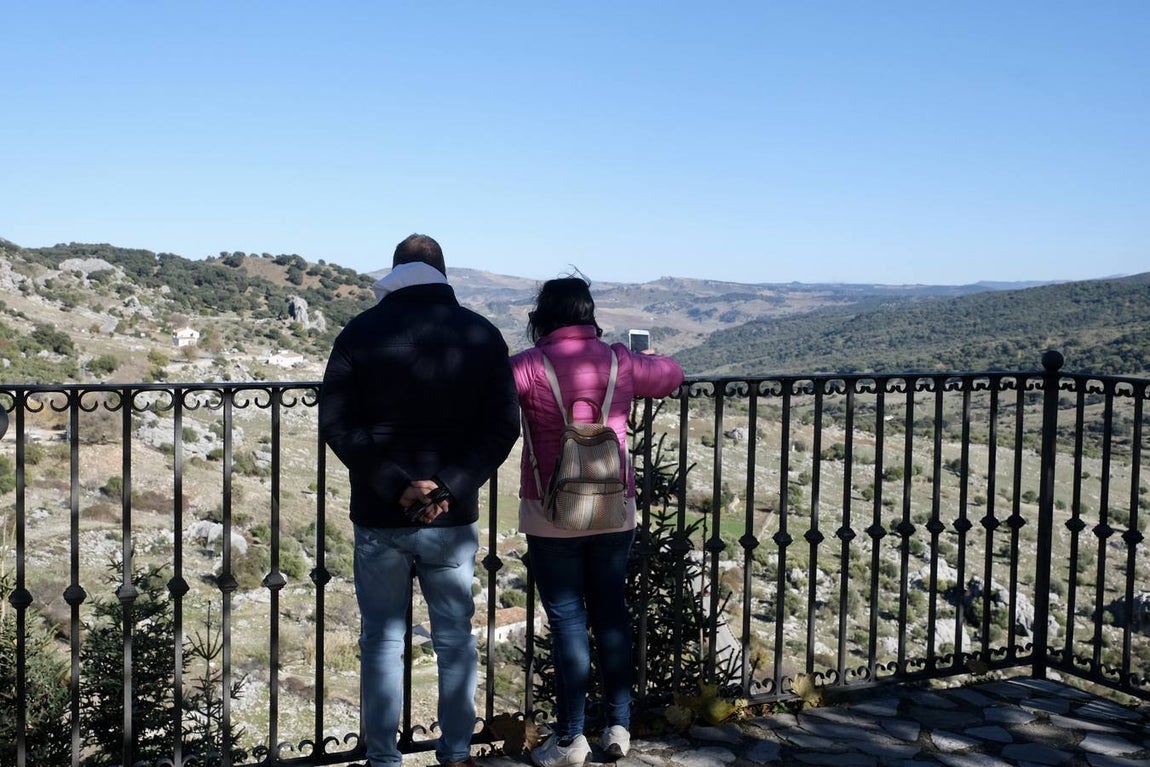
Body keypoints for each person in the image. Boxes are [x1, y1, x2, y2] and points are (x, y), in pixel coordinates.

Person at [319, 234, 520, 767]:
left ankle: (383, 759)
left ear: (395, 273)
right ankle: (455, 753)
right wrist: (448, 486)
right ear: (443, 274)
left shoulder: (358, 332)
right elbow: (502, 426)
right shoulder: (481, 333)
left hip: (381, 516)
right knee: (454, 639)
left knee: (383, 642)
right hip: (451, 519)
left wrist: (395, 485)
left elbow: (336, 423)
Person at [509, 276, 685, 767]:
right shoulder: (617, 360)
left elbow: (484, 397)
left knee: (568, 619)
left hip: (551, 513)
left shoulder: (525, 367)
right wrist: (642, 358)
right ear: (588, 314)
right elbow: (672, 374)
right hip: (615, 508)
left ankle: (569, 738)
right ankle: (619, 726)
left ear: (541, 316)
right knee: (611, 613)